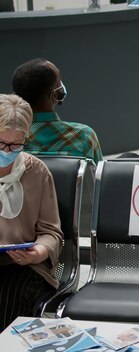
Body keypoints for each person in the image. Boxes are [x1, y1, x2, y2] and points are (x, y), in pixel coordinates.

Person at [0, 94, 63, 329]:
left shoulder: (36, 172)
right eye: (1, 143)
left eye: (16, 144)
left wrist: (39, 252)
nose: (7, 151)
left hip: (21, 266)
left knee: (10, 296)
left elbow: (51, 232)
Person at [12, 58, 103, 163]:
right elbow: (97, 177)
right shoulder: (84, 136)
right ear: (54, 96)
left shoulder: (7, 140)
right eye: (59, 79)